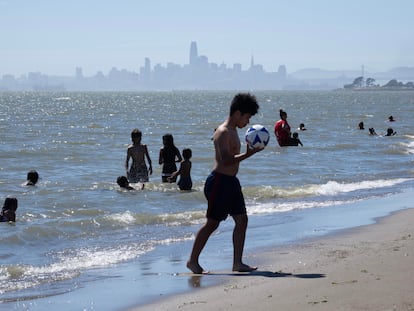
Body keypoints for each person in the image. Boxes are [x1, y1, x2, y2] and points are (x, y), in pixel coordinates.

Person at [187, 92, 263, 274]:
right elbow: (226, 160)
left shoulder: (235, 131)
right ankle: (192, 261)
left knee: (242, 220)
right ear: (238, 113)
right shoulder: (222, 132)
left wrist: (247, 152)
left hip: (232, 182)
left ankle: (237, 263)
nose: (248, 122)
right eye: (247, 117)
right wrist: (248, 154)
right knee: (212, 223)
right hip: (219, 182)